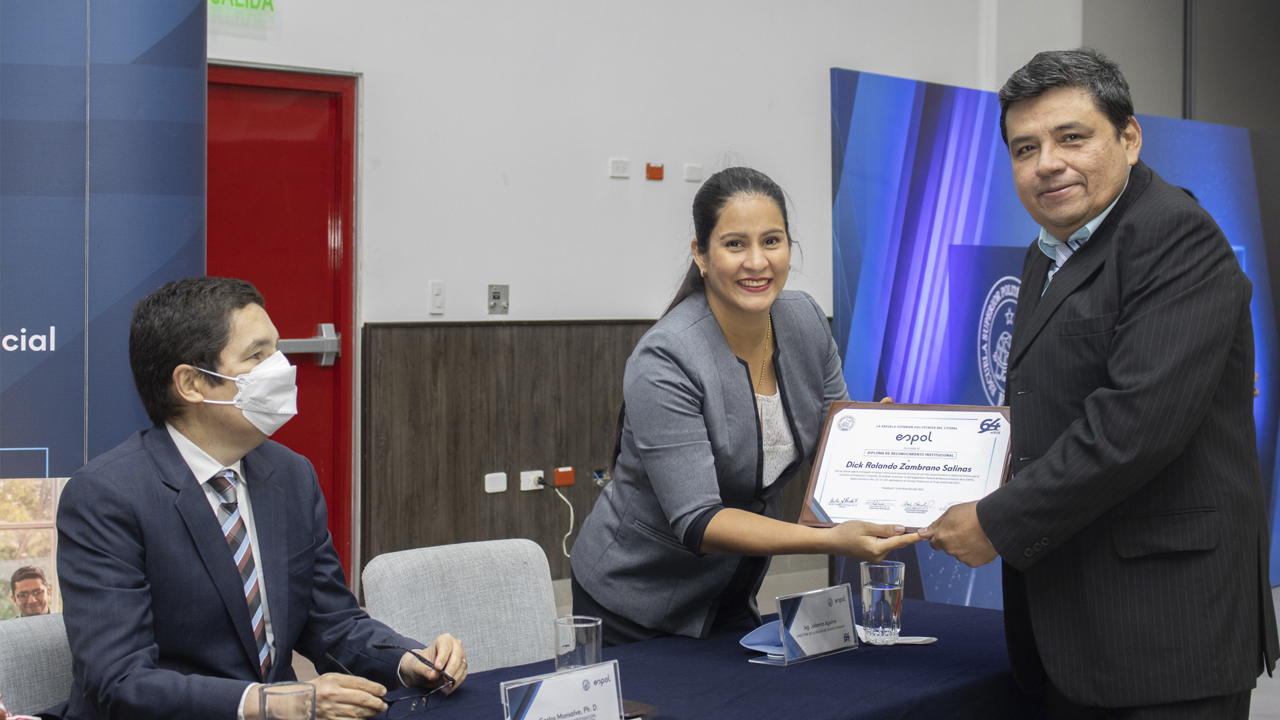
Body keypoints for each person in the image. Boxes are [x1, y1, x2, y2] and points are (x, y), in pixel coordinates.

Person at [920, 49, 1279, 717]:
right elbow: (1043, 407)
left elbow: (1133, 427)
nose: (1047, 162)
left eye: (1071, 137)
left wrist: (995, 522)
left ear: (1130, 137)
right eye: (1025, 148)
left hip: (1166, 636)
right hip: (1076, 627)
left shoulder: (1173, 235)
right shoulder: (1048, 253)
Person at [56, 277, 467, 720]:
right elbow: (119, 682)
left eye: (276, 350)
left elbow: (333, 623)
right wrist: (270, 702)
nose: (282, 369)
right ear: (192, 383)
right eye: (257, 356)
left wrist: (409, 660)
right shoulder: (106, 495)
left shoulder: (290, 475)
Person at [570, 167, 919, 646]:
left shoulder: (806, 320)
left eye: (772, 241)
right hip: (633, 602)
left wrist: (876, 441)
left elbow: (835, 438)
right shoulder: (666, 357)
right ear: (701, 254)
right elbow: (700, 520)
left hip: (731, 593)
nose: (757, 261)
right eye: (735, 244)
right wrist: (827, 540)